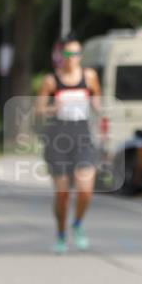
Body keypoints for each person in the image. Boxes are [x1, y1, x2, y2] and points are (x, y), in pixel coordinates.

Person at [36, 33, 101, 254]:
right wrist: (57, 106)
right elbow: (39, 110)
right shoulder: (51, 81)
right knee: (62, 194)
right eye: (67, 53)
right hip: (58, 136)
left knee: (85, 190)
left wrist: (99, 108)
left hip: (82, 134)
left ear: (80, 56)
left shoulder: (90, 76)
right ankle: (61, 233)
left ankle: (78, 223)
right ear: (60, 56)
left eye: (75, 53)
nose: (71, 57)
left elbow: (97, 101)